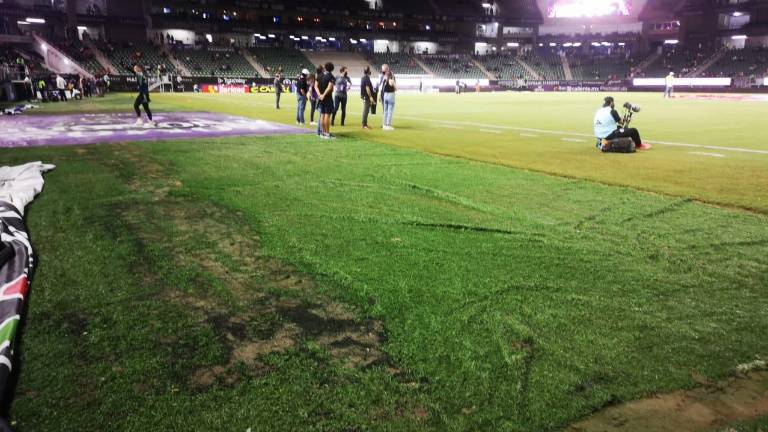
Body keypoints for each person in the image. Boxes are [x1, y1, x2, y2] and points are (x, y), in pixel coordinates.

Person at [317, 61, 336, 139]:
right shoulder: (331, 76)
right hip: (327, 98)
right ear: (332, 69)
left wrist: (320, 95)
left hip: (321, 99)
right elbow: (329, 87)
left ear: (325, 67)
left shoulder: (320, 75)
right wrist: (324, 95)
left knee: (322, 115)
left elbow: (315, 86)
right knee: (327, 116)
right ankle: (327, 134)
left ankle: (322, 133)